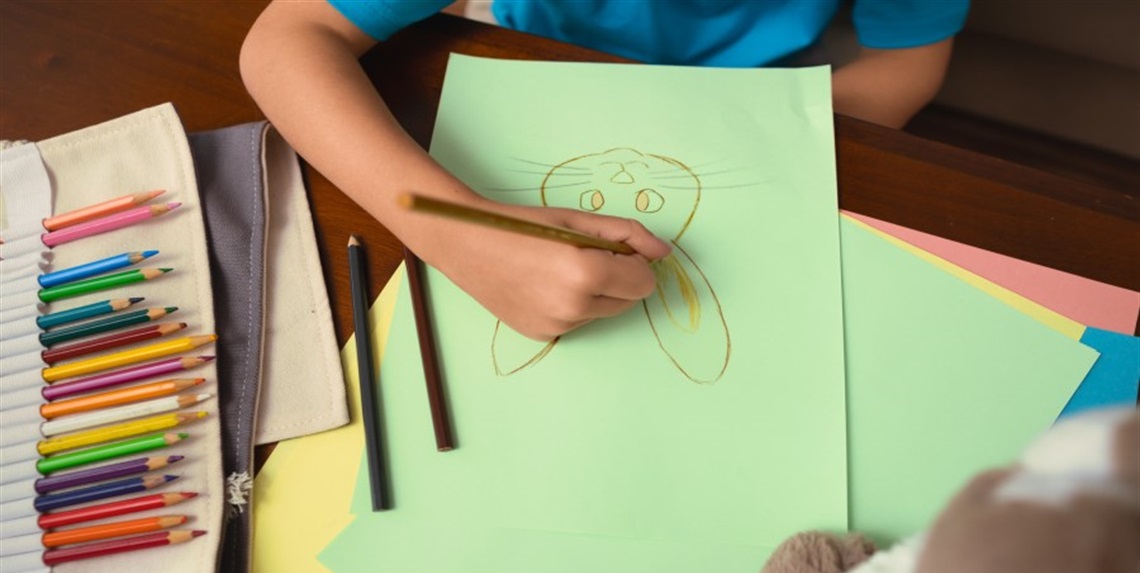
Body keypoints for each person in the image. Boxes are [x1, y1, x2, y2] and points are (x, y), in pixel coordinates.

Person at [240, 1, 968, 342]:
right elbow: (291, 36)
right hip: (519, 69)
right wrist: (453, 231)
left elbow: (908, 65)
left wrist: (775, 145)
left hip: (746, 119)